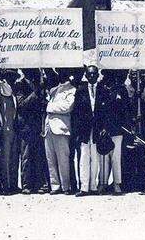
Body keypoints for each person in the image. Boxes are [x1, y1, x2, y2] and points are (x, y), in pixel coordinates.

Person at [43, 69, 77, 194]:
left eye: (63, 72)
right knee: (50, 159)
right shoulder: (54, 89)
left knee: (63, 159)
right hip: (49, 128)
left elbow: (67, 107)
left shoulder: (71, 90)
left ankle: (65, 186)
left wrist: (49, 107)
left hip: (61, 128)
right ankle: (55, 186)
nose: (61, 74)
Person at [15, 69, 48, 193]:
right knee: (26, 156)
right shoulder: (20, 85)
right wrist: (36, 92)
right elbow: (22, 104)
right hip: (26, 127)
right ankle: (26, 185)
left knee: (39, 156)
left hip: (38, 125)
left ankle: (38, 184)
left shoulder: (39, 83)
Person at [73, 65, 104, 196]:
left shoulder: (103, 90)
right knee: (84, 158)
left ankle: (93, 186)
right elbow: (76, 113)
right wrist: (77, 131)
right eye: (89, 74)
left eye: (94, 74)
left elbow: (105, 111)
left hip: (97, 129)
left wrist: (103, 128)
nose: (92, 76)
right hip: (84, 130)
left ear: (98, 76)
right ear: (86, 76)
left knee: (95, 159)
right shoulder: (80, 90)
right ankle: (84, 187)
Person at [0, 69, 19, 193]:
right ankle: (5, 185)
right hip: (4, 128)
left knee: (13, 158)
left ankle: (13, 184)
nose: (11, 79)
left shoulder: (13, 92)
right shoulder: (0, 88)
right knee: (4, 158)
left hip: (13, 127)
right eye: (9, 76)